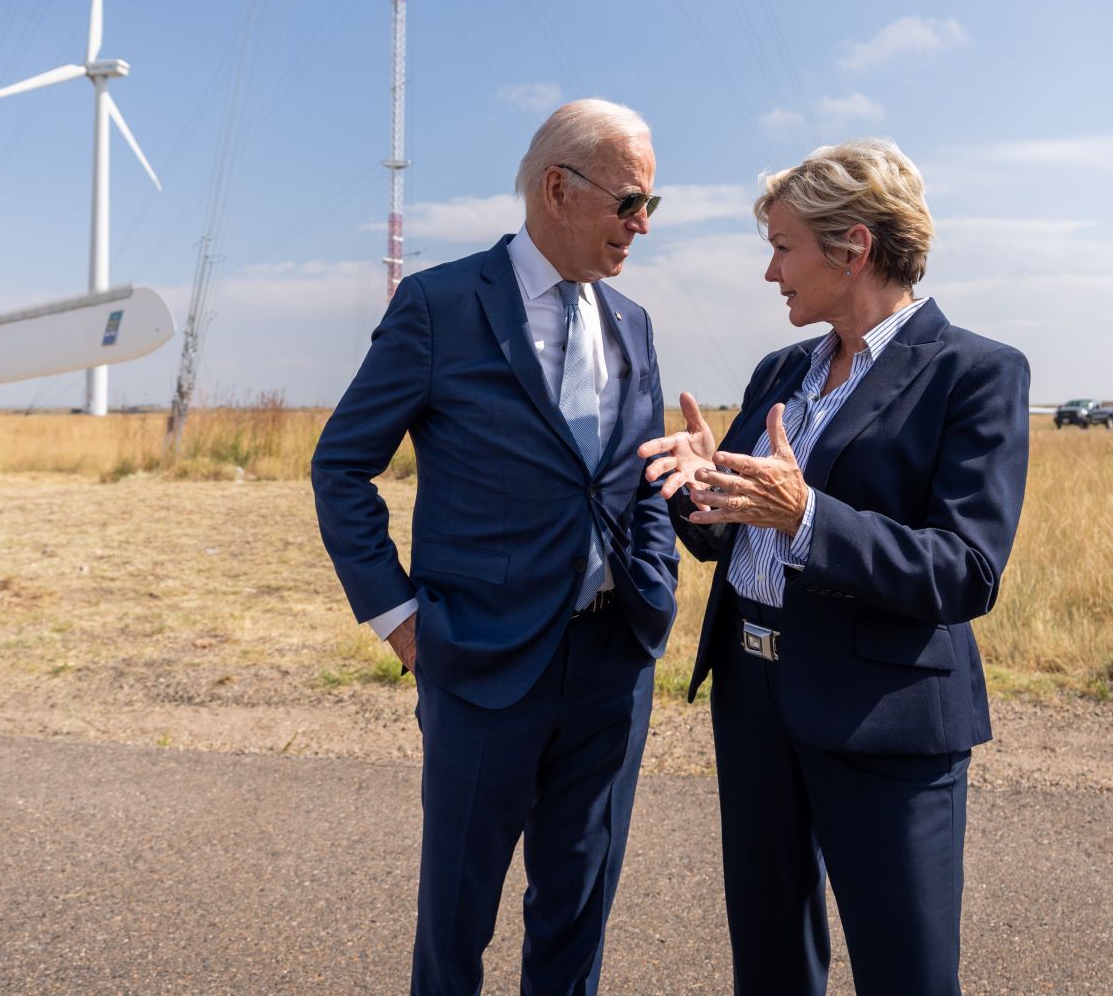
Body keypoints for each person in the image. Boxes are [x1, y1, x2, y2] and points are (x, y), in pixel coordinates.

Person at [639, 139, 1030, 996]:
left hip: (883, 717)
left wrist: (808, 516)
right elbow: (727, 532)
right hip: (753, 701)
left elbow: (965, 570)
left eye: (782, 248)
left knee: (906, 973)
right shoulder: (782, 370)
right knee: (770, 965)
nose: (770, 272)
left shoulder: (976, 373)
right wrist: (698, 485)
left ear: (852, 247)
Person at [312, 99, 679, 994]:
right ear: (559, 188)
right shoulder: (438, 306)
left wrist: (654, 590)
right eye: (631, 203)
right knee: (456, 918)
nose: (641, 226)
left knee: (578, 913)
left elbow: (641, 479)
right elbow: (342, 469)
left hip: (610, 663)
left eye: (650, 208)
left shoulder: (632, 323)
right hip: (478, 661)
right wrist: (402, 621)